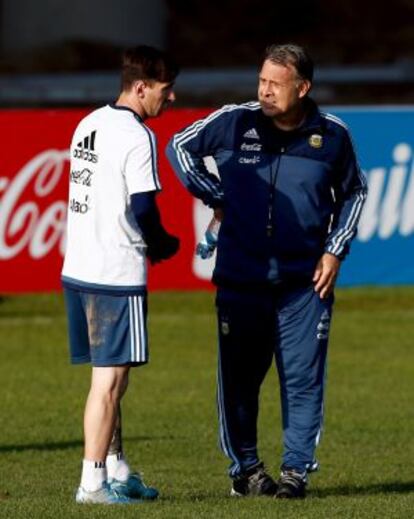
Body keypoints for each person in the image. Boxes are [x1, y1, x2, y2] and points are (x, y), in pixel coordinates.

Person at [167, 43, 367, 499]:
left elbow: (355, 191)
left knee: (302, 379)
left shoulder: (332, 134)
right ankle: (247, 470)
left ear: (303, 87)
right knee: (239, 382)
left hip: (304, 286)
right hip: (241, 279)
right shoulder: (234, 121)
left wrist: (335, 250)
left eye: (275, 84)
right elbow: (179, 147)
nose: (265, 91)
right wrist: (216, 195)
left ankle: (296, 471)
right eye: (261, 81)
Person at [61, 45, 180, 505]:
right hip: (115, 271)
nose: (169, 100)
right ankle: (92, 483)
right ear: (142, 87)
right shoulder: (137, 136)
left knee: (114, 377)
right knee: (108, 384)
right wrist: (163, 243)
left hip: (79, 267)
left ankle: (116, 468)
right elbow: (143, 206)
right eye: (166, 91)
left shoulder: (88, 122)